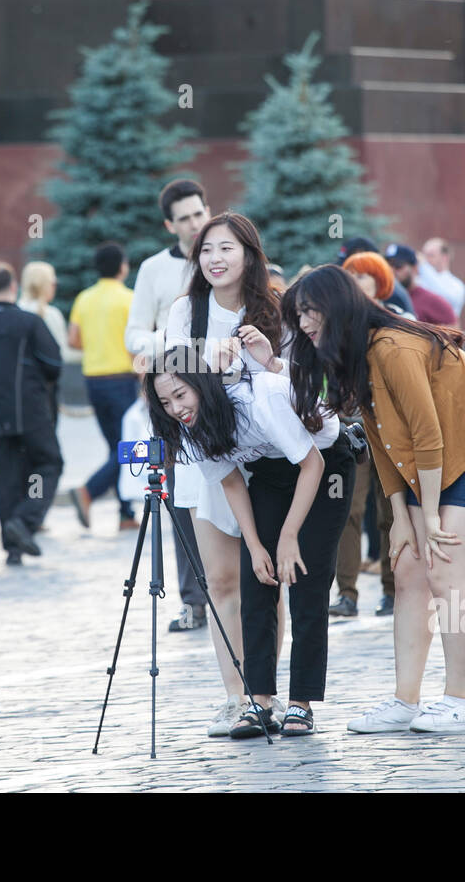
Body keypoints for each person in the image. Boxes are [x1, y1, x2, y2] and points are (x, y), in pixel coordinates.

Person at [284, 265, 465, 736]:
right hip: (429, 458)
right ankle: (404, 701)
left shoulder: (392, 348)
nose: (305, 323)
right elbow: (383, 439)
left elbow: (426, 433)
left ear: (337, 307)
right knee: (408, 566)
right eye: (299, 315)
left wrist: (429, 516)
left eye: (310, 311)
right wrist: (398, 517)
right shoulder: (354, 354)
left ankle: (460, 702)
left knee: (444, 567)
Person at [146, 362, 352, 737]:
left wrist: (289, 537)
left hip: (325, 465)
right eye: (165, 402)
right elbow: (233, 484)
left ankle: (302, 704)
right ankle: (259, 701)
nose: (176, 409)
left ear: (203, 386)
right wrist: (256, 546)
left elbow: (313, 463)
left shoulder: (260, 399)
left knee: (306, 579)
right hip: (270, 473)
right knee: (256, 579)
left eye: (181, 395)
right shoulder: (191, 427)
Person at [163, 211, 290, 735]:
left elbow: (297, 383)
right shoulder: (186, 310)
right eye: (207, 250)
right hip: (207, 461)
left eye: (227, 249)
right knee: (220, 580)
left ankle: (267, 692)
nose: (215, 258)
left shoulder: (273, 308)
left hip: (269, 464)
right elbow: (166, 374)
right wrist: (203, 356)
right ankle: (236, 697)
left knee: (268, 579)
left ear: (249, 256)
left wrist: (265, 360)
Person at [124, 178, 211, 632]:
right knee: (179, 497)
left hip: (221, 395)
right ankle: (194, 601)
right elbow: (133, 334)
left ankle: (244, 588)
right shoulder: (153, 269)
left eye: (199, 213)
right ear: (169, 224)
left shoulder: (224, 256)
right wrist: (171, 341)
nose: (195, 224)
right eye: (184, 218)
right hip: (174, 397)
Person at [0, 262, 65, 567]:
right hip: (33, 411)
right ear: (13, 287)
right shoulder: (29, 322)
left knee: (7, 478)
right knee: (48, 464)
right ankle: (24, 520)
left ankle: (13, 548)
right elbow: (54, 364)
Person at [328, 250, 408, 619]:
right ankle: (347, 593)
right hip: (351, 431)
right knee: (347, 510)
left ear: (380, 281)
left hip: (392, 432)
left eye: (364, 276)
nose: (357, 282)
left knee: (391, 511)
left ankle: (393, 591)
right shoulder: (336, 325)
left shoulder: (397, 322)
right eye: (351, 276)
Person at [69, 242, 139, 531]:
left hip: (93, 381)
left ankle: (125, 514)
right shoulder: (129, 299)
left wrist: (97, 345)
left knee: (116, 446)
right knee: (132, 447)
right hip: (122, 379)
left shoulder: (84, 299)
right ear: (122, 267)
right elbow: (137, 344)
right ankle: (89, 491)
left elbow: (73, 340)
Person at [383, 243, 458, 325]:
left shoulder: (433, 301)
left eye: (398, 266)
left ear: (414, 268)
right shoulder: (382, 297)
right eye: (388, 266)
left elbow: (455, 333)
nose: (392, 271)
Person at [339, 237, 414, 316]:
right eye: (348, 276)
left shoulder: (396, 306)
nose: (352, 282)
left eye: (360, 277)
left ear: (378, 281)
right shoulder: (340, 316)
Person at [420, 237, 465, 318]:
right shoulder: (418, 280)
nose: (425, 260)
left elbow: (444, 299)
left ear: (445, 257)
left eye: (430, 255)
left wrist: (423, 267)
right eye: (424, 255)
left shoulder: (456, 285)